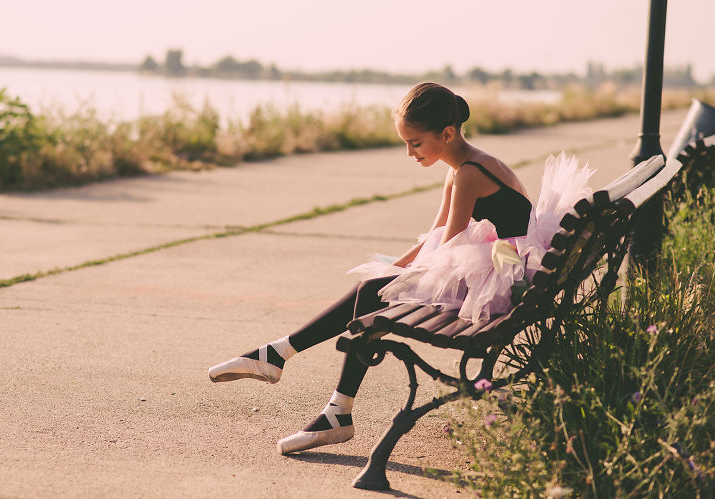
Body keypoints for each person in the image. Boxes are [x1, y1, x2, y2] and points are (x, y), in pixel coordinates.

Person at [208, 82, 593, 455]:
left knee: (372, 293)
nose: (410, 152)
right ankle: (303, 379)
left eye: (415, 143)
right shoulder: (460, 167)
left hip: (507, 278)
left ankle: (297, 372)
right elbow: (435, 237)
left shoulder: (470, 174)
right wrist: (395, 267)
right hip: (502, 265)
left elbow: (448, 246)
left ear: (446, 134)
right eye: (405, 143)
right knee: (376, 284)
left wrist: (398, 278)